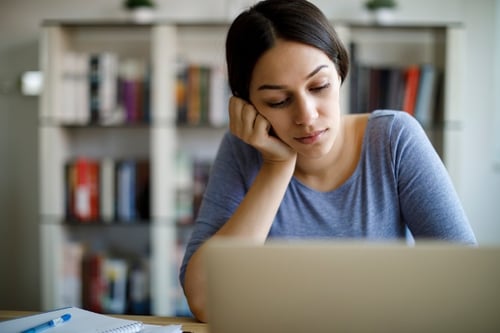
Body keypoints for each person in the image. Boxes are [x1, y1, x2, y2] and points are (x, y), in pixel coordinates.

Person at [179, 0, 477, 322]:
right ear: (248, 106)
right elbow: (205, 301)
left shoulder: (393, 139)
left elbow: (467, 283)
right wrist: (277, 167)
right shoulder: (242, 151)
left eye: (319, 86)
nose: (307, 116)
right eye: (278, 101)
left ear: (340, 71)